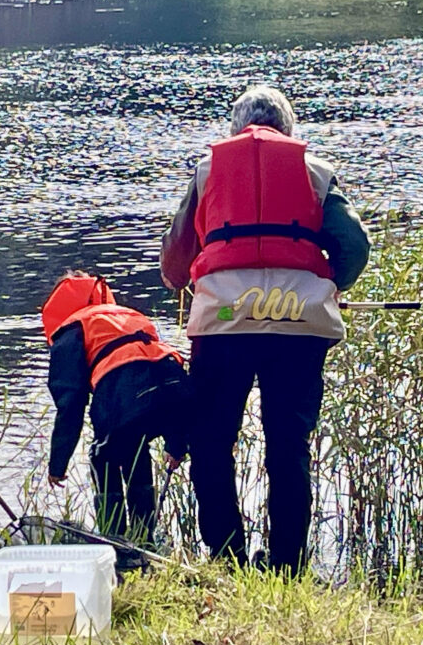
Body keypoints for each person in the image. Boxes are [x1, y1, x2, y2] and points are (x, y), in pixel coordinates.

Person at [160, 85, 370, 576]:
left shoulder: (208, 170)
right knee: (288, 442)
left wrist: (179, 279)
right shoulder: (315, 171)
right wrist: (330, 284)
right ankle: (288, 564)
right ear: (291, 131)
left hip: (225, 322)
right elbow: (354, 246)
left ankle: (227, 555)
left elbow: (176, 255)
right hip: (297, 322)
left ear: (234, 131)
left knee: (211, 440)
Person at [41, 271, 190, 550]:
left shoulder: (72, 328)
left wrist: (57, 465)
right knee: (135, 447)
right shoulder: (125, 315)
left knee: (103, 454)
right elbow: (153, 368)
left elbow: (70, 403)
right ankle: (144, 541)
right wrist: (176, 443)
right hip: (175, 383)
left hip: (126, 391)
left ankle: (112, 542)